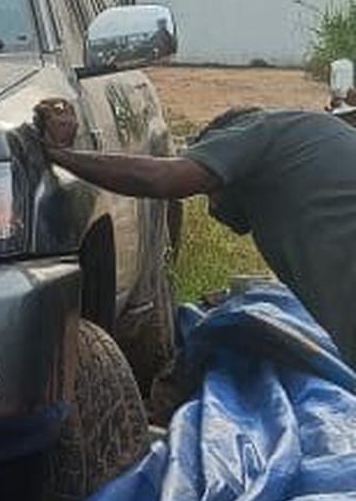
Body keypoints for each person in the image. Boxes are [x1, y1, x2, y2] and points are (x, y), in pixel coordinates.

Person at [34, 98, 356, 369]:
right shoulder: (316, 138)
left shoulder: (256, 131)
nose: (212, 208)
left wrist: (62, 156)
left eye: (210, 189)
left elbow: (164, 179)